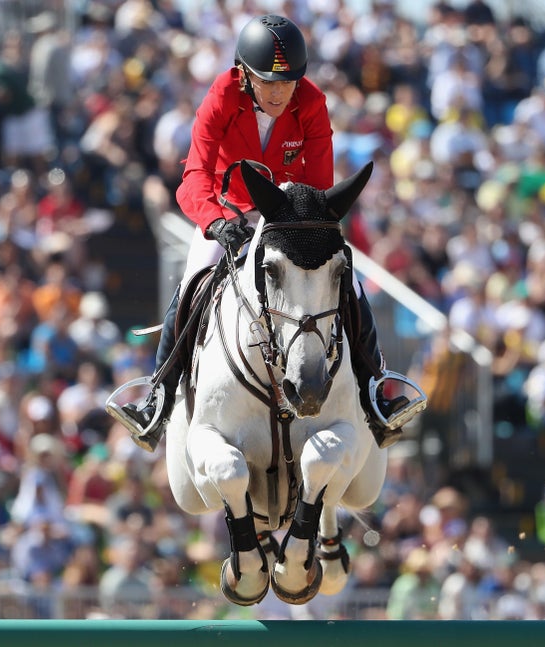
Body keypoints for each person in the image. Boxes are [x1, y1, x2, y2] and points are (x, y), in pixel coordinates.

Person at [109, 14, 424, 452]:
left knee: (347, 281)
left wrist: (291, 224)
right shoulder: (221, 94)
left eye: (288, 81)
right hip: (226, 213)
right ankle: (157, 401)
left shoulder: (311, 102)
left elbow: (316, 188)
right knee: (192, 284)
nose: (279, 92)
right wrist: (216, 222)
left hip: (287, 217)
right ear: (244, 74)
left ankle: (377, 394)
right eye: (268, 82)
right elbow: (194, 174)